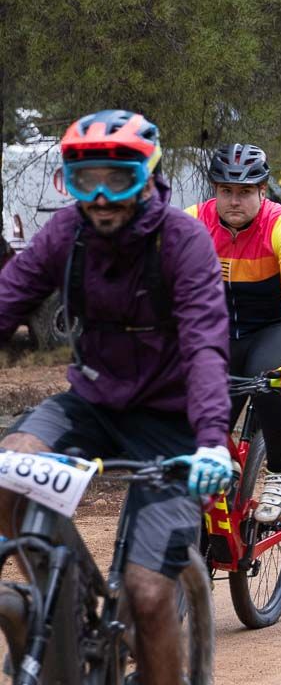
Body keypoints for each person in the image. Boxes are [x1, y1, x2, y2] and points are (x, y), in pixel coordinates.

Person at [0, 110, 231, 684]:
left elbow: (205, 346)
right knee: (9, 468)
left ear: (148, 177)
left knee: (148, 594)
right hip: (92, 404)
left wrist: (210, 443)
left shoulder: (184, 242)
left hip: (174, 424)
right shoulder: (66, 233)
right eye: (84, 181)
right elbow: (6, 299)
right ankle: (67, 599)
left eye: (118, 179)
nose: (100, 197)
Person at [186, 144, 281, 524]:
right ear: (214, 191)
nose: (234, 201)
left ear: (262, 191)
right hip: (219, 332)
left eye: (244, 192)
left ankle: (279, 470)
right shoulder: (194, 221)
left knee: (270, 380)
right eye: (225, 191)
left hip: (271, 328)